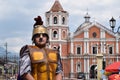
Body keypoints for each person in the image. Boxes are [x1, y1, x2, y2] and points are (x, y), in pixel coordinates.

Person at [19, 16, 63, 80]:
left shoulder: (55, 52)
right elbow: (24, 72)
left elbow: (59, 72)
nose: (41, 37)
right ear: (34, 39)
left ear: (47, 38)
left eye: (44, 35)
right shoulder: (28, 50)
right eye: (38, 35)